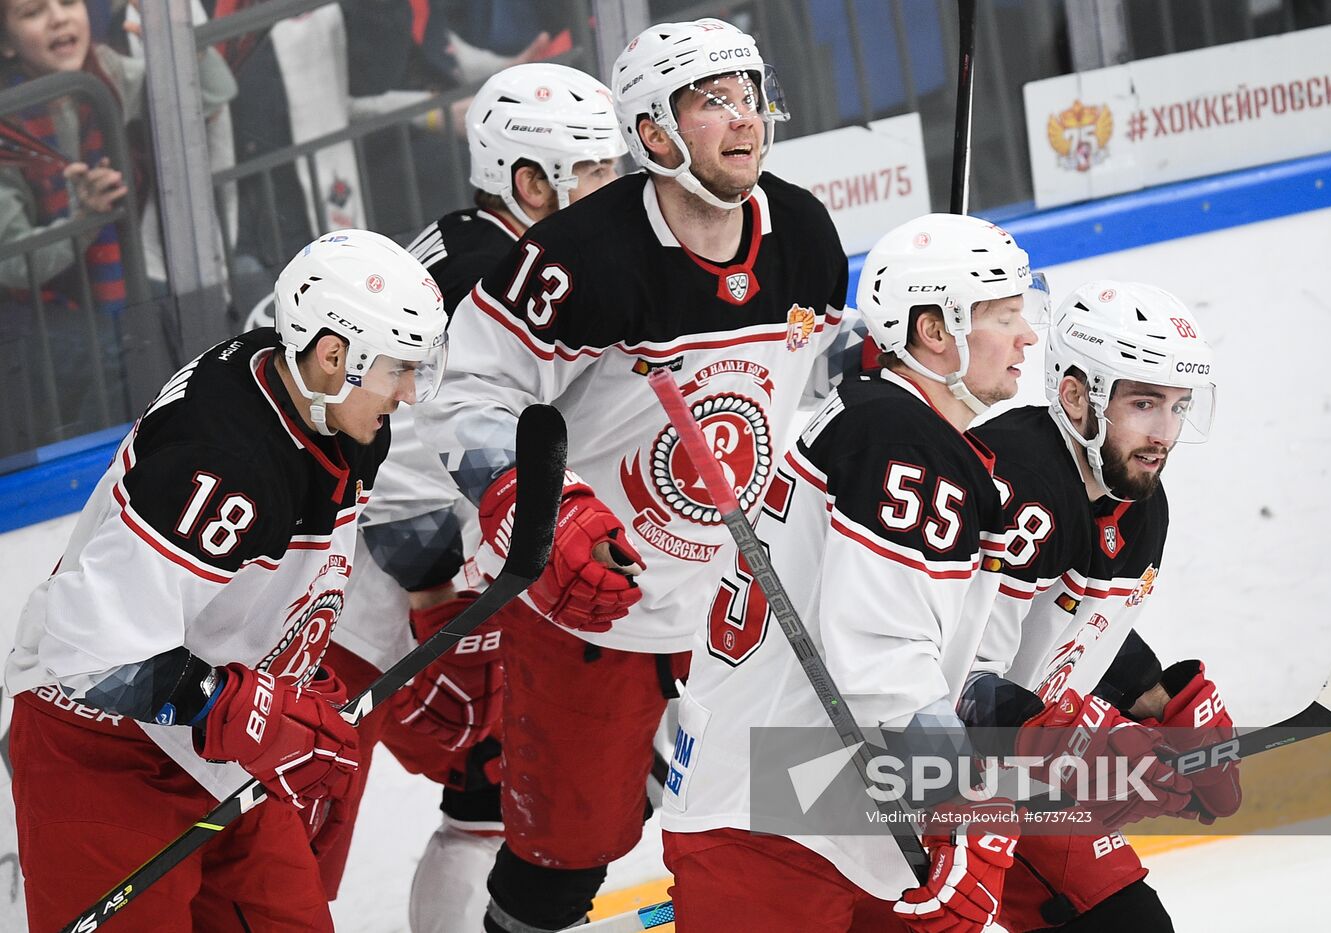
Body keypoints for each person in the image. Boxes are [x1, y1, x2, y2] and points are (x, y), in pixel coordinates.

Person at [414, 18, 863, 932]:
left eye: (750, 96)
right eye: (713, 102)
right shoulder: (580, 256)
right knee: (564, 859)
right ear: (654, 134)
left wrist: (877, 376)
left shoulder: (802, 230)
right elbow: (464, 393)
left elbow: (810, 374)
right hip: (596, 604)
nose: (746, 118)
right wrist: (538, 509)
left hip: (742, 604)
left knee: (786, 820)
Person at [4, 228, 447, 931]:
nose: (411, 392)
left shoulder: (331, 407)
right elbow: (86, 656)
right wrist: (240, 707)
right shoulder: (219, 460)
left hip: (217, 752)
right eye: (399, 368)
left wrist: (294, 684)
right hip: (103, 749)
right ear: (335, 355)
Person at [659, 212, 1045, 932]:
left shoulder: (877, 417)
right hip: (778, 832)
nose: (1026, 336)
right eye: (1003, 316)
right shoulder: (903, 441)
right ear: (935, 331)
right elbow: (883, 656)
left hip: (803, 812)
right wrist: (959, 804)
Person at [319, 62, 626, 932]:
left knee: (489, 798)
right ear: (530, 183)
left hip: (441, 571)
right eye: (592, 171)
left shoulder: (487, 246)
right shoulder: (488, 276)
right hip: (365, 602)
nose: (615, 190)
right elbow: (398, 449)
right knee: (296, 830)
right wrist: (433, 591)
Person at [961, 280, 1240, 931]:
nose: (1164, 434)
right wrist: (1080, 739)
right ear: (1075, 396)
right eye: (1143, 403)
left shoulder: (1138, 502)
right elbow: (951, 682)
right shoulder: (1019, 484)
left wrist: (1159, 702)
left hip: (1011, 763)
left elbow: (1070, 626)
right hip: (907, 767)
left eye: (1177, 406)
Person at [0, 0, 236, 449]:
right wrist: (82, 222)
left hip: (125, 291)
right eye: (33, 12)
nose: (58, 18)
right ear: (6, 44)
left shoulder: (112, 72)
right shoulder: (6, 125)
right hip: (35, 316)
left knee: (192, 321)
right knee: (124, 348)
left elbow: (211, 99)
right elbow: (12, 265)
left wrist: (186, 52)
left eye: (69, 2)